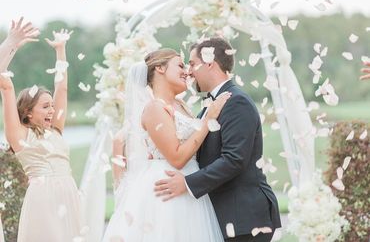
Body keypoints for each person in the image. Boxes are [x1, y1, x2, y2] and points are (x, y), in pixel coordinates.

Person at [154, 37, 282, 242]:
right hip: (227, 216)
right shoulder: (210, 105)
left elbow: (234, 159)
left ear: (210, 63)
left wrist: (186, 183)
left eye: (193, 64)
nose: (189, 71)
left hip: (244, 218)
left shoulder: (235, 101)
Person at [102, 48, 231, 242]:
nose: (187, 71)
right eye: (180, 65)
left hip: (188, 185)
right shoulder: (154, 107)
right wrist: (208, 120)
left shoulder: (181, 106)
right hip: (167, 190)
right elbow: (177, 158)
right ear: (160, 68)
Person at [0, 18, 84, 241]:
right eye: (45, 106)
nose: (52, 111)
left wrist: (61, 51)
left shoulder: (55, 130)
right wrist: (10, 43)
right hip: (43, 201)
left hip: (69, 196)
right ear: (28, 112)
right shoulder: (19, 136)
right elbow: (4, 83)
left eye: (52, 106)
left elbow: (62, 88)